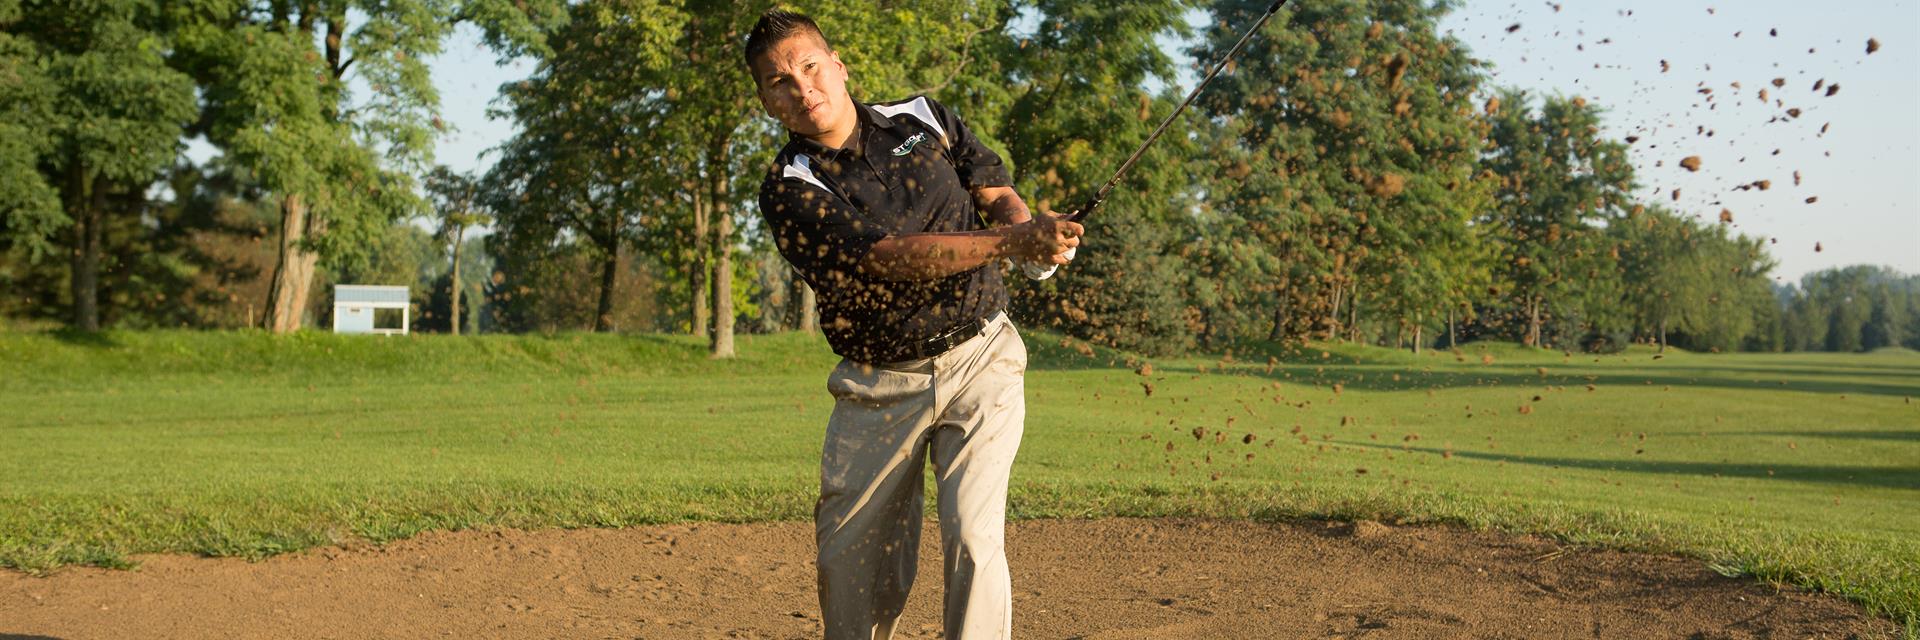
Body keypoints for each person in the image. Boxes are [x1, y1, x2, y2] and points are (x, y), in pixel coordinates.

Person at [744, 9, 1083, 640]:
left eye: (810, 68)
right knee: (854, 572)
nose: (803, 89)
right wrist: (1016, 243)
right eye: (779, 82)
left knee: (974, 535)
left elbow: (992, 187)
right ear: (767, 101)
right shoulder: (790, 187)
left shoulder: (922, 116)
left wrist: (1031, 236)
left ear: (838, 67)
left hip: (983, 354)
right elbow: (891, 258)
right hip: (880, 386)